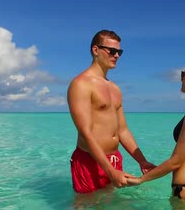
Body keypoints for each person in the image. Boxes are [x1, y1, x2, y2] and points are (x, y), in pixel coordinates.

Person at [67, 29, 156, 194]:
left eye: (119, 52)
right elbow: (86, 132)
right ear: (95, 50)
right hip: (89, 160)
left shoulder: (114, 89)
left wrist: (142, 161)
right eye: (112, 51)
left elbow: (122, 130)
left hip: (114, 159)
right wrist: (110, 170)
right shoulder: (81, 84)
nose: (117, 56)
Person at [127, 58, 185, 199]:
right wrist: (156, 170)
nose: (181, 79)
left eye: (183, 75)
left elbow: (176, 161)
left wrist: (140, 180)